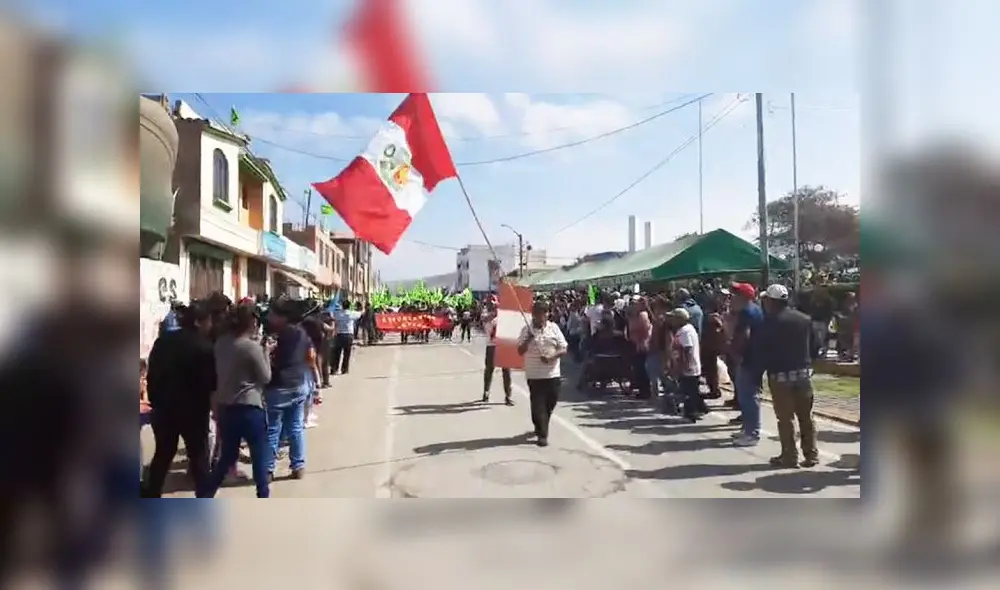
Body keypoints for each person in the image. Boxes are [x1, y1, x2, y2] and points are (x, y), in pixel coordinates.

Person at [142, 301, 216, 498]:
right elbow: (211, 382)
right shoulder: (204, 347)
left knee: (163, 454)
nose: (211, 325)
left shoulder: (163, 342)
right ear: (200, 322)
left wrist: (156, 400)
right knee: (199, 459)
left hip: (164, 409)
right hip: (193, 412)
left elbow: (152, 375)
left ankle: (151, 494)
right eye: (209, 321)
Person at [199, 304, 272, 498]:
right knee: (259, 457)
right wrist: (266, 352)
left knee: (227, 457)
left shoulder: (221, 343)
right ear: (253, 322)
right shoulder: (251, 347)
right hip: (249, 408)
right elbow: (265, 377)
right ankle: (263, 495)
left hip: (226, 408)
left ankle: (206, 493)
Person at [759, 284, 818, 468]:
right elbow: (816, 345)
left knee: (785, 419)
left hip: (780, 377)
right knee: (806, 417)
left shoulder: (768, 322)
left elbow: (763, 350)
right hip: (803, 374)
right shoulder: (804, 319)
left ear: (771, 301)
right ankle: (811, 455)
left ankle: (789, 456)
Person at [263, 301, 313, 480]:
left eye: (272, 314)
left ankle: (268, 469)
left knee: (272, 429)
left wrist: (268, 351)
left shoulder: (279, 337)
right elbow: (309, 356)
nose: (269, 317)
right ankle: (298, 466)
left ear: (282, 318)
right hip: (299, 384)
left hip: (279, 386)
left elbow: (275, 363)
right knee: (296, 427)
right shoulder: (302, 334)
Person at [516, 301, 568, 447]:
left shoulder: (554, 328)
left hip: (553, 374)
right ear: (533, 314)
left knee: (550, 403)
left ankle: (541, 423)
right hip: (535, 375)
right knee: (538, 405)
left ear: (547, 314)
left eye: (543, 313)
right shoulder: (527, 330)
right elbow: (520, 350)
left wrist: (552, 357)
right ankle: (542, 435)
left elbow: (564, 348)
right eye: (537, 313)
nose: (540, 316)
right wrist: (529, 339)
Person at [728, 282, 766, 447]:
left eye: (735, 295)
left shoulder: (747, 313)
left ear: (744, 297)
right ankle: (748, 429)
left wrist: (736, 354)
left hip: (749, 360)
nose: (731, 298)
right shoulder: (752, 310)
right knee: (746, 396)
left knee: (748, 396)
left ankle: (752, 433)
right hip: (752, 359)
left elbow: (743, 337)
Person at [667, 307, 706, 422]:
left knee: (688, 392)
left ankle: (690, 415)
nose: (671, 321)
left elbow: (687, 349)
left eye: (673, 318)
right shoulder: (687, 329)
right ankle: (699, 409)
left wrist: (684, 365)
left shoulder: (685, 331)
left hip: (688, 367)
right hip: (689, 366)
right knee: (691, 390)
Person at [481, 304, 513, 405]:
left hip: (503, 347)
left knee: (506, 372)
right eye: (494, 307)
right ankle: (486, 392)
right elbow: (484, 319)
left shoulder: (503, 319)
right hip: (492, 346)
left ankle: (508, 396)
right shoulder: (487, 318)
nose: (495, 309)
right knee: (489, 370)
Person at [331, 299, 362, 375]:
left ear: (342, 306)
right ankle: (344, 369)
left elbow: (331, 315)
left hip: (339, 335)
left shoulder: (337, 314)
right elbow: (360, 314)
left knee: (337, 353)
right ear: (349, 306)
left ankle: (334, 369)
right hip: (348, 335)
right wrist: (361, 307)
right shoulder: (352, 314)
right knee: (347, 353)